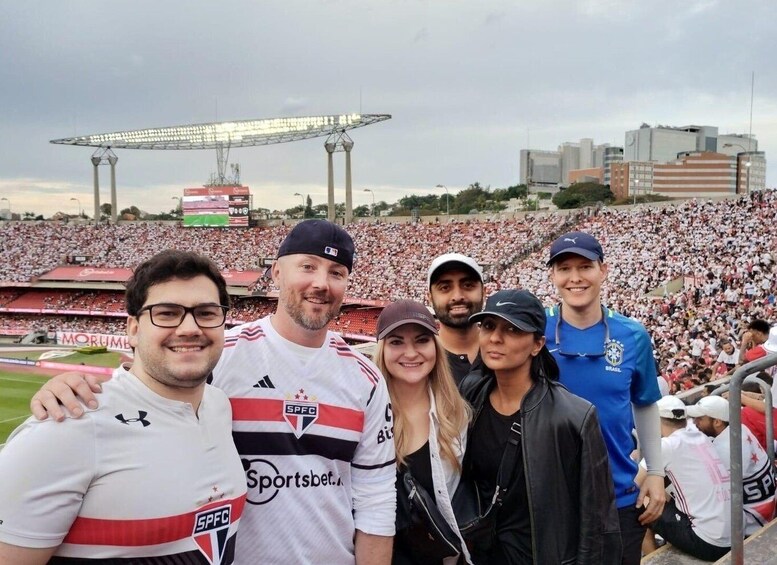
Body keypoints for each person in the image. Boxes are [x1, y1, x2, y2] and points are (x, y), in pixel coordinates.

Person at [30, 220, 397, 565]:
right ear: (277, 272)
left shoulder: (365, 378)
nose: (322, 283)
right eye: (308, 266)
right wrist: (71, 388)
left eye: (337, 273)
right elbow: (141, 394)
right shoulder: (220, 354)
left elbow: (376, 497)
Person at [0, 250, 247, 563]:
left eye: (207, 313)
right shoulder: (67, 425)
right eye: (167, 313)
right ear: (133, 329)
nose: (189, 328)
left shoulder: (219, 407)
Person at [460, 289, 621, 564]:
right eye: (488, 326)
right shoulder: (471, 393)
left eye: (512, 329)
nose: (495, 338)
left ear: (537, 344)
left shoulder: (573, 416)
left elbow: (596, 519)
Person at [544, 231, 665, 565]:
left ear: (603, 270)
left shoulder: (633, 334)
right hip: (552, 496)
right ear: (553, 275)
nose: (575, 277)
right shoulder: (536, 330)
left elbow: (644, 403)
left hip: (618, 495)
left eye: (585, 266)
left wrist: (655, 471)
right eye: (565, 268)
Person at [374, 300, 472, 565]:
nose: (411, 352)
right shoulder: (366, 415)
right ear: (382, 349)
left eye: (421, 340)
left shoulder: (457, 416)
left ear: (435, 348)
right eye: (396, 342)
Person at [640, 395, 731, 561]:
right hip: (733, 532)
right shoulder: (700, 436)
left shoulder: (667, 445)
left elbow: (634, 483)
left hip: (710, 543)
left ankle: (654, 558)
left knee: (639, 503)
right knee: (659, 491)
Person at [686, 395, 776, 536]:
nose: (695, 422)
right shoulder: (740, 428)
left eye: (700, 418)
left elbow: (708, 492)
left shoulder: (725, 449)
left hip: (753, 521)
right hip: (767, 503)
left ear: (717, 422)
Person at [426, 253, 486, 384]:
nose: (458, 296)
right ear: (430, 298)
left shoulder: (505, 351)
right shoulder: (421, 361)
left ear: (484, 292)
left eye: (468, 285)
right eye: (445, 288)